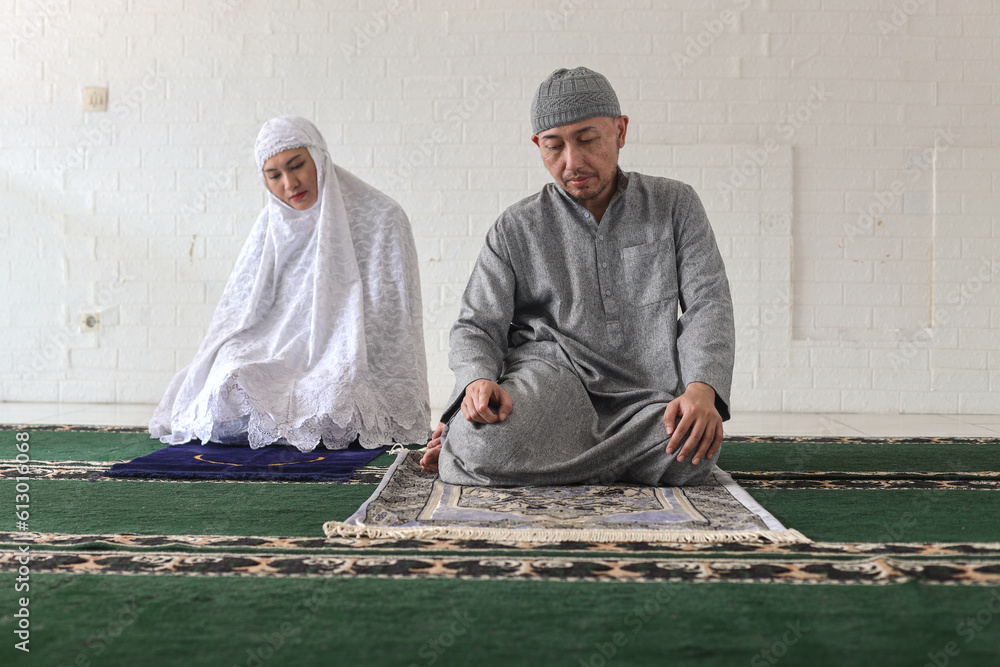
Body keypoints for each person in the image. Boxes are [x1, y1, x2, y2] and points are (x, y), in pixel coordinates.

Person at [420, 67, 735, 486]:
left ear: (620, 131)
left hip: (647, 398)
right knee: (485, 445)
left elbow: (708, 305)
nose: (572, 162)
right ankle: (505, 452)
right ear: (539, 145)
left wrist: (701, 390)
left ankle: (497, 458)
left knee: (690, 453)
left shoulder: (675, 204)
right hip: (552, 383)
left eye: (588, 140)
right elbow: (476, 325)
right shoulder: (516, 226)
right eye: (555, 146)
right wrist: (476, 381)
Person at [150, 116, 431, 451]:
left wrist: (336, 348)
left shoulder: (381, 217)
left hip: (344, 346)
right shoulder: (270, 223)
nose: (290, 183)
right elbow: (241, 308)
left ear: (320, 158)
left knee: (336, 388)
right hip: (278, 345)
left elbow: (392, 318)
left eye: (297, 166)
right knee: (229, 374)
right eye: (275, 175)